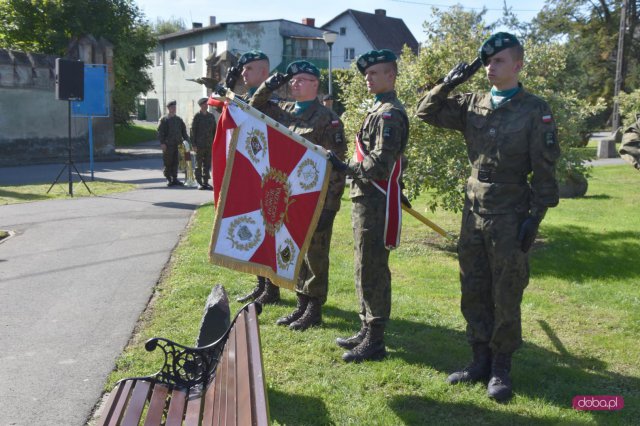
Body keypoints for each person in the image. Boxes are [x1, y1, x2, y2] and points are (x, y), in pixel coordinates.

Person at [416, 32, 561, 402]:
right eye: (487, 62)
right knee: (473, 289)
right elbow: (425, 111)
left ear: (518, 65)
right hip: (473, 212)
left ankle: (501, 368)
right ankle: (478, 360)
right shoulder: (473, 103)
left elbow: (544, 171)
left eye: (498, 61)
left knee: (506, 293)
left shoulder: (534, 109)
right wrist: (450, 83)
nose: (490, 68)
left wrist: (536, 217)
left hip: (510, 215)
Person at [250, 60, 348, 330]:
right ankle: (301, 304)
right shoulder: (285, 111)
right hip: (290, 195)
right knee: (297, 250)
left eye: (301, 80)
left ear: (315, 85)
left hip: (317, 199)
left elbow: (337, 166)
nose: (294, 84)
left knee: (315, 254)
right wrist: (272, 83)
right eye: (292, 80)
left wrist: (331, 206)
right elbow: (255, 106)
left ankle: (314, 308)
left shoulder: (329, 120)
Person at [327, 50, 409, 362]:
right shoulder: (377, 109)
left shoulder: (390, 114)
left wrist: (343, 165)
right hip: (365, 200)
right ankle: (365, 327)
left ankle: (375, 340)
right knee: (363, 265)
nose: (368, 77)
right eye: (367, 73)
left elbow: (379, 166)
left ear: (391, 75)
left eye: (375, 73)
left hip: (375, 201)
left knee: (373, 268)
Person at [223, 50, 283, 305]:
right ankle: (260, 284)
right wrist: (229, 88)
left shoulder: (270, 104)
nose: (244, 74)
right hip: (252, 174)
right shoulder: (246, 97)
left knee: (269, 231)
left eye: (249, 70)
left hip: (268, 175)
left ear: (264, 73)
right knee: (255, 227)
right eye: (243, 70)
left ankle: (272, 289)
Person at [158, 100, 189, 187]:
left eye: (174, 107)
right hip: (168, 145)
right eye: (172, 107)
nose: (174, 109)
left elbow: (184, 132)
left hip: (178, 144)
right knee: (168, 162)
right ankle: (168, 178)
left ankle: (174, 178)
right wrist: (162, 143)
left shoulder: (178, 119)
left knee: (176, 162)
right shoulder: (164, 119)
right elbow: (160, 133)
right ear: (168, 108)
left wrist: (187, 142)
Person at [191, 97, 216, 190]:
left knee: (207, 164)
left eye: (207, 104)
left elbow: (215, 130)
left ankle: (206, 182)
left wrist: (215, 142)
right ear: (201, 105)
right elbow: (193, 131)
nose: (206, 105)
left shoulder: (211, 116)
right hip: (199, 145)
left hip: (209, 144)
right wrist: (193, 144)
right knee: (199, 164)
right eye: (205, 104)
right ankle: (199, 182)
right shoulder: (197, 116)